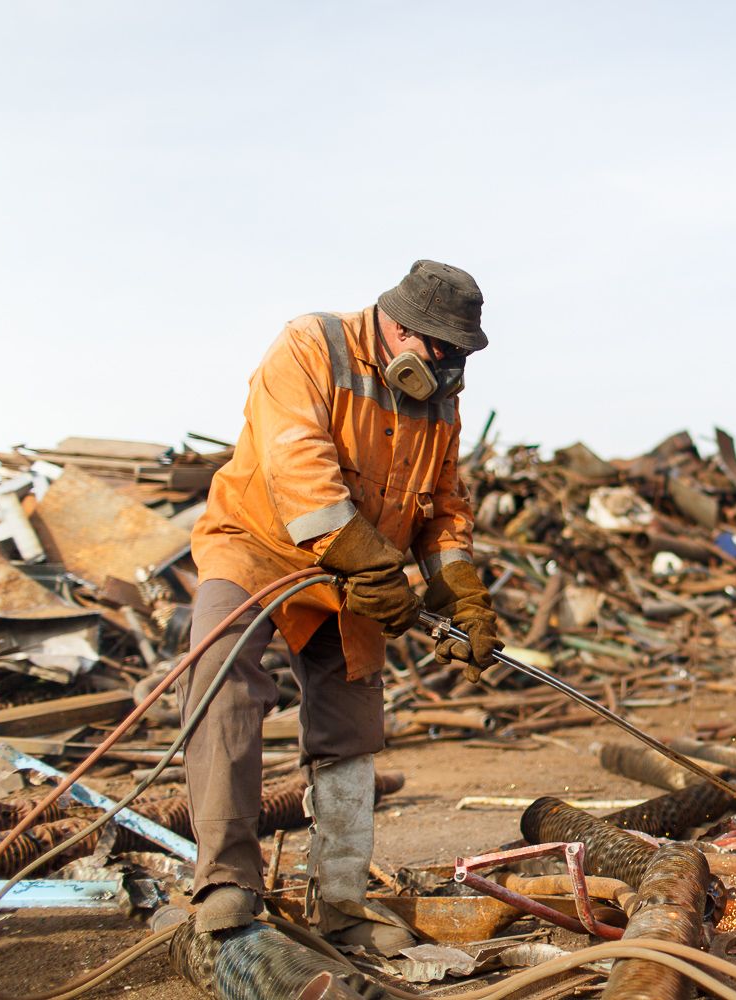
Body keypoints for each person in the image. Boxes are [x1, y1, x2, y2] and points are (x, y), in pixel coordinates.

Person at [179, 260, 499, 953]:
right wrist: (374, 565)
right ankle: (227, 882)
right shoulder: (309, 346)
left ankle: (342, 901)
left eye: (459, 356)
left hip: (355, 569)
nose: (447, 369)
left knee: (352, 724)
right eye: (439, 350)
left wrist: (462, 596)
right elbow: (297, 467)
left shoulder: (439, 400)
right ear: (397, 327)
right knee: (222, 680)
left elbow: (443, 506)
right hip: (259, 547)